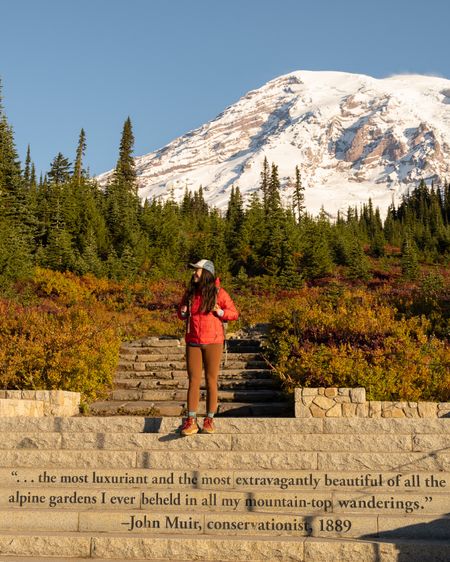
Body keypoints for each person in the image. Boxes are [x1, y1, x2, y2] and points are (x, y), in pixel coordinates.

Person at [177, 259, 238, 436]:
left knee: (211, 380)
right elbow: (181, 313)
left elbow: (234, 313)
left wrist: (220, 312)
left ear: (206, 273)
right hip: (193, 341)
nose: (194, 273)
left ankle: (209, 420)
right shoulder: (190, 293)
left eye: (197, 270)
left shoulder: (219, 293)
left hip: (214, 341)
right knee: (193, 380)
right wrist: (182, 312)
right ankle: (191, 421)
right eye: (194, 270)